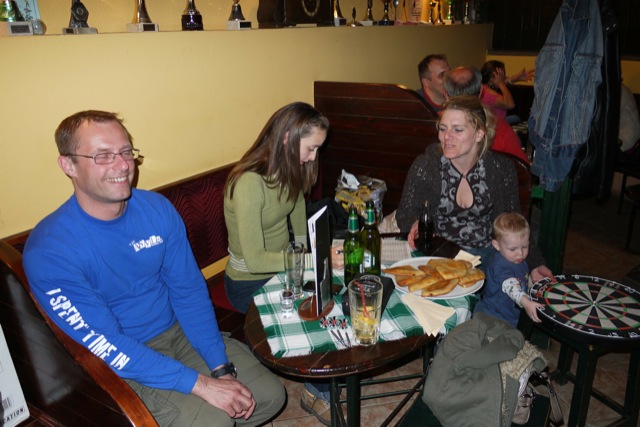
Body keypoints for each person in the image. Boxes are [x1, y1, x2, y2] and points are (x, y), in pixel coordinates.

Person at [22, 110, 285, 427]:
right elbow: (109, 345)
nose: (123, 166)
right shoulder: (50, 250)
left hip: (179, 332)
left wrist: (220, 368)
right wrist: (201, 386)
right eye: (103, 156)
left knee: (270, 395)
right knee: (213, 422)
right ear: (68, 165)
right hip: (123, 359)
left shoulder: (156, 209)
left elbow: (188, 292)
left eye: (125, 152)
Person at [223, 102, 341, 426]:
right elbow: (255, 260)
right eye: (311, 148)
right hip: (247, 281)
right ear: (288, 137)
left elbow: (298, 213)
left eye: (317, 149)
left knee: (328, 298)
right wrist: (311, 261)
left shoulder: (290, 170)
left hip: (282, 270)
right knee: (307, 317)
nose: (313, 157)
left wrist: (307, 253)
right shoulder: (249, 183)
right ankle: (318, 392)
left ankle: (326, 377)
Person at [395, 95, 552, 283]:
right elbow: (405, 213)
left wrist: (535, 263)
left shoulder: (500, 169)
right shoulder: (426, 165)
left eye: (457, 129)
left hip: (485, 258)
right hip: (439, 256)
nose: (446, 137)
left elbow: (513, 223)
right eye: (443, 128)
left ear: (479, 134)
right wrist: (414, 224)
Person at [444, 66, 530, 164]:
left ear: (445, 94)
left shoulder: (434, 123)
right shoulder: (498, 127)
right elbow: (521, 166)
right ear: (481, 90)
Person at [474, 212, 543, 327]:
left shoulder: (517, 259)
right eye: (513, 249)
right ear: (497, 245)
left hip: (511, 315)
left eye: (525, 247)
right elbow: (510, 286)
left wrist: (536, 285)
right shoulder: (499, 264)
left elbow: (523, 279)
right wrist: (526, 302)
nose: (520, 253)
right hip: (493, 317)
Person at [480, 60, 534, 125]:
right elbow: (510, 104)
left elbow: (501, 82)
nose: (504, 78)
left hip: (496, 122)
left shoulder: (483, 88)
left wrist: (516, 78)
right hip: (495, 126)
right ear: (492, 78)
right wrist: (501, 83)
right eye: (502, 76)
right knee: (516, 118)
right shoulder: (489, 95)